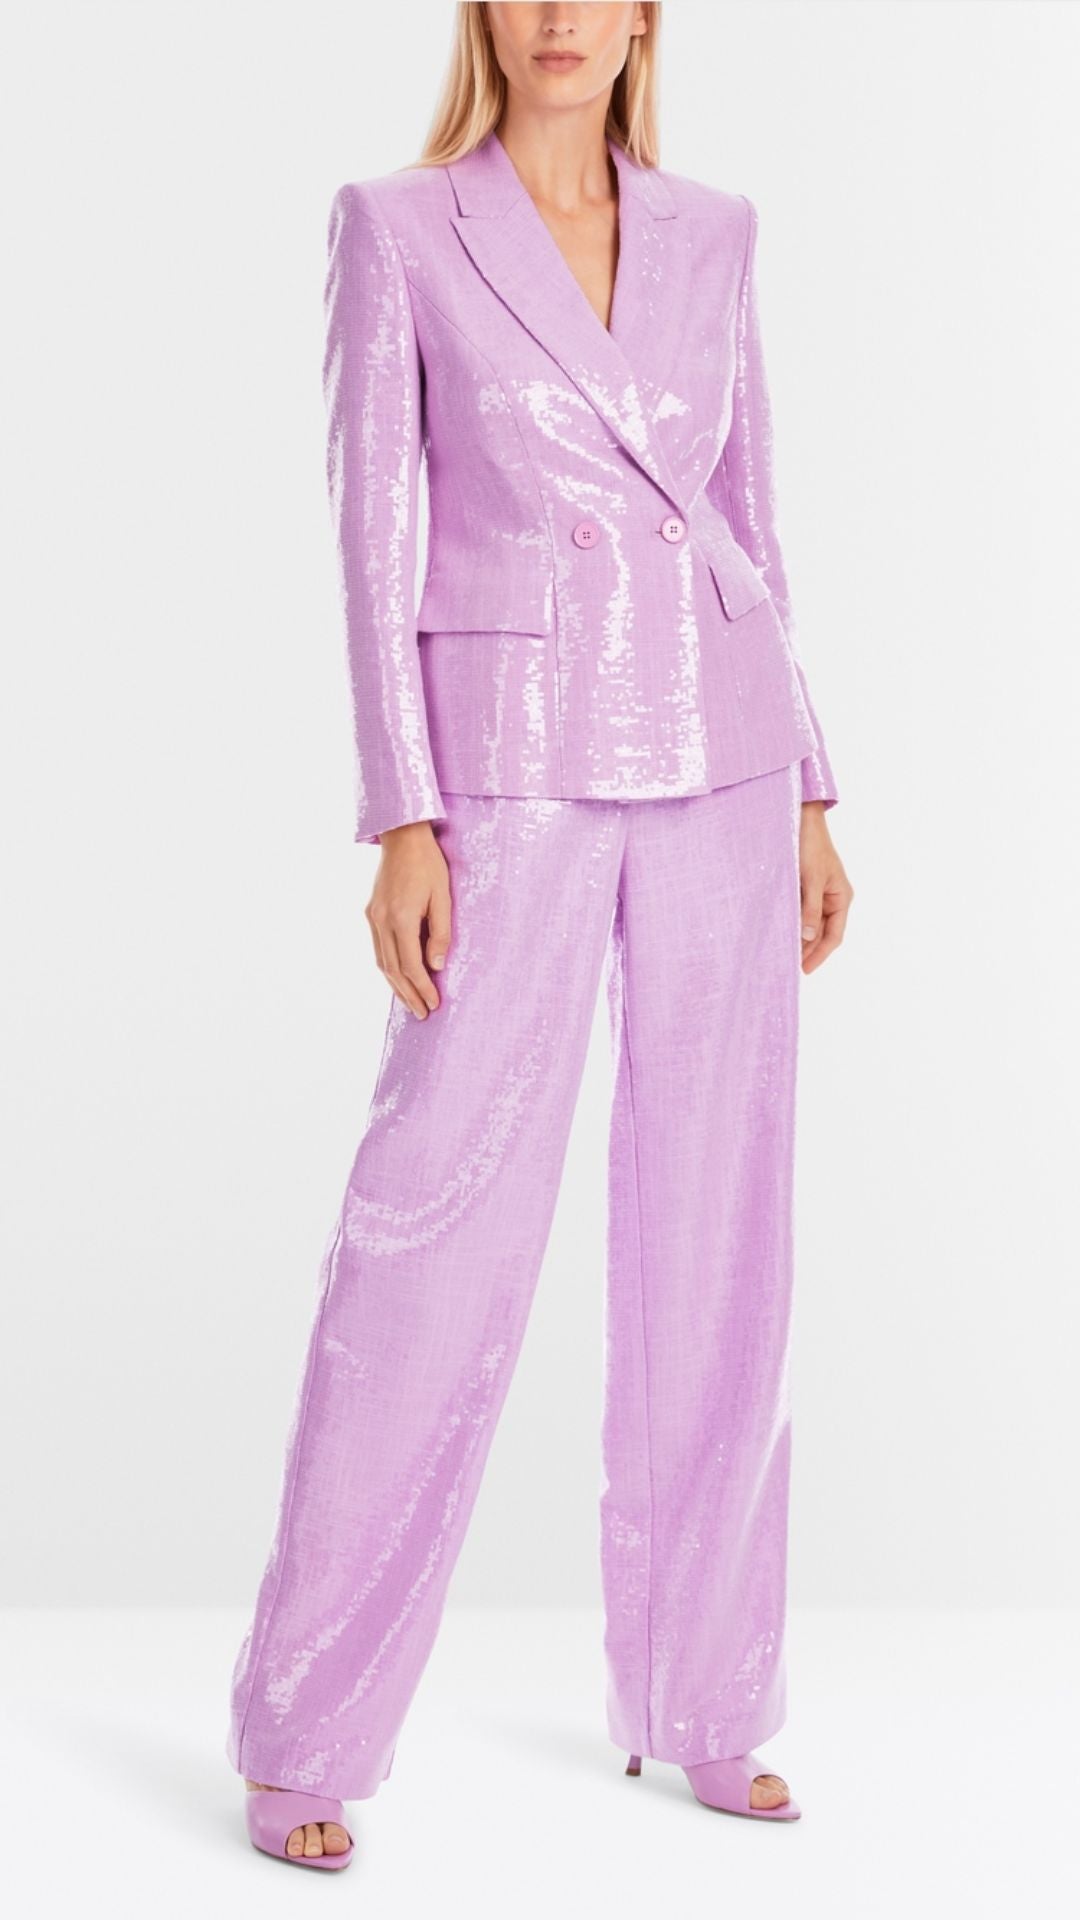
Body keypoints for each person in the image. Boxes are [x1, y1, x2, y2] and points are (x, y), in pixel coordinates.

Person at [226, 0, 854, 1869]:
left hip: (727, 752)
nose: (563, 18)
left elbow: (749, 516)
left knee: (722, 1236)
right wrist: (400, 812)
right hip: (506, 765)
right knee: (430, 1229)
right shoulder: (400, 224)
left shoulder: (716, 232)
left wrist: (814, 785)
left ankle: (709, 1697)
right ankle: (307, 1722)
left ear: (648, 11)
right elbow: (371, 536)